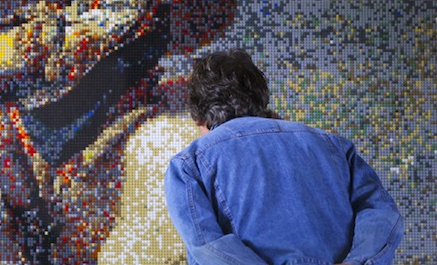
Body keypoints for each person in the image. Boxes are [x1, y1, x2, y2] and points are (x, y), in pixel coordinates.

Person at [164, 49, 403, 265]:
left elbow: (206, 245)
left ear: (198, 116)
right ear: (261, 99)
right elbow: (380, 211)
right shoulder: (334, 146)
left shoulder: (189, 164)